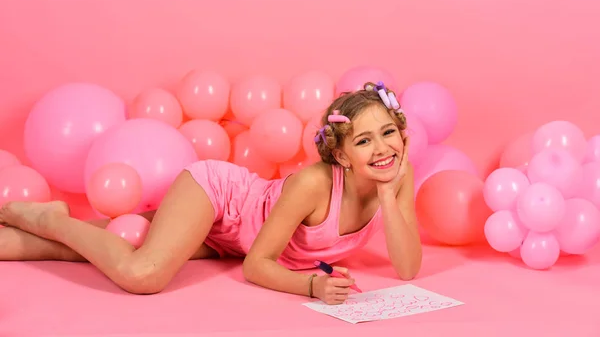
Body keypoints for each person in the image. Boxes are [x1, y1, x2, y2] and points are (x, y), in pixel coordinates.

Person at [0, 81, 422, 304]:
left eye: (388, 133)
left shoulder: (397, 177)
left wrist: (387, 197)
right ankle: (50, 218)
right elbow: (257, 264)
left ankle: (20, 224)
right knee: (142, 274)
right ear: (343, 157)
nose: (383, 148)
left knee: (93, 248)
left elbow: (407, 269)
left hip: (229, 241)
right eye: (364, 141)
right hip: (219, 199)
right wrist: (311, 287)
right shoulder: (314, 184)